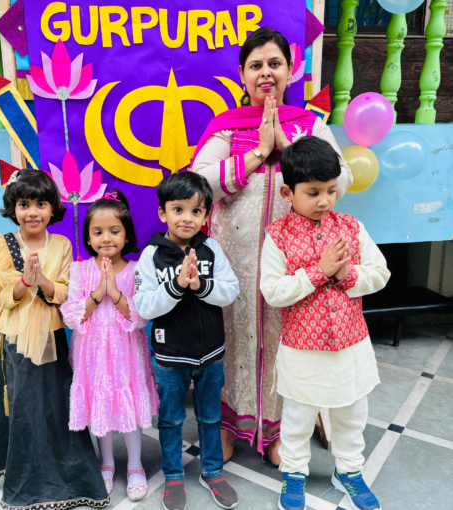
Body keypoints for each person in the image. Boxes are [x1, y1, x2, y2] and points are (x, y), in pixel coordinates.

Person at [191, 26, 354, 465]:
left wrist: (288, 149)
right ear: (243, 75)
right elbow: (198, 183)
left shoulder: (310, 126)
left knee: (290, 342)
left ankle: (283, 431)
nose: (266, 73)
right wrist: (257, 153)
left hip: (298, 263)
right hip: (234, 262)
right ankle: (229, 426)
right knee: (232, 336)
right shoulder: (227, 127)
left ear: (290, 70)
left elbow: (345, 177)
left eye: (274, 63)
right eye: (256, 65)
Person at [0, 169, 109, 509]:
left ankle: (71, 476)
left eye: (41, 204)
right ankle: (28, 483)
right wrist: (22, 283)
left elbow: (65, 293)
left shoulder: (61, 245)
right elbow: (1, 298)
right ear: (13, 207)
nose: (32, 212)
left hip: (52, 337)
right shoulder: (0, 246)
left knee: (58, 404)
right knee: (26, 407)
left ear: (51, 208)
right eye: (24, 204)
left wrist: (41, 279)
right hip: (16, 341)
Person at [260, 137, 389, 510]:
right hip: (302, 347)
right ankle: (295, 473)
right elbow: (272, 291)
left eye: (331, 191)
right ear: (288, 191)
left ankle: (348, 470)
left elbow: (380, 273)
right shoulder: (278, 236)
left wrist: (347, 273)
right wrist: (318, 272)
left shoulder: (351, 227)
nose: (324, 201)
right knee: (299, 415)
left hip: (351, 345)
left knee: (352, 412)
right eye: (313, 192)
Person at [134, 172, 240, 510]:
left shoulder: (211, 249)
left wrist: (200, 286)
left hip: (210, 353)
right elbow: (145, 307)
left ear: (206, 216)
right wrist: (176, 286)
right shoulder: (152, 255)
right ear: (163, 213)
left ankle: (212, 471)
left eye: (197, 211)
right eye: (178, 210)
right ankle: (174, 476)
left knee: (210, 416)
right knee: (171, 418)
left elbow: (231, 291)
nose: (187, 218)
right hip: (170, 355)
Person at [61, 189, 159, 501]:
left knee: (128, 404)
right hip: (91, 355)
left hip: (127, 353)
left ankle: (134, 466)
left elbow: (141, 314)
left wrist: (115, 292)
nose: (106, 238)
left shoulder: (137, 270)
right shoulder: (78, 270)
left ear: (127, 234)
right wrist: (97, 292)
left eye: (115, 231)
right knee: (99, 405)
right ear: (88, 237)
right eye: (98, 232)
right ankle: (105, 464)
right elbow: (72, 315)